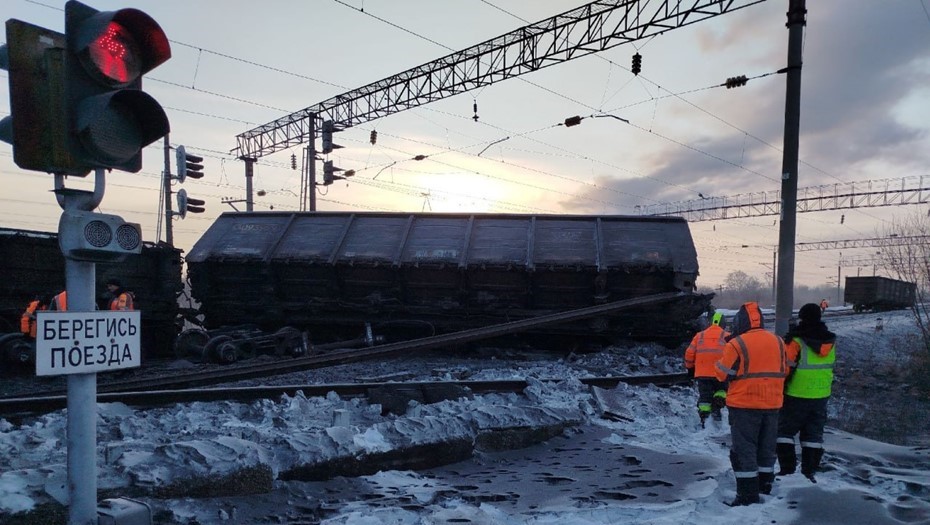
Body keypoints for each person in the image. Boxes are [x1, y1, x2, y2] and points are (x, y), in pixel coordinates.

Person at [714, 301, 788, 506]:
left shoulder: (736, 344)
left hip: (744, 405)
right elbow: (784, 370)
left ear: (740, 322)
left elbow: (722, 374)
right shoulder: (778, 341)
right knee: (767, 447)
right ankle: (765, 486)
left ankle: (747, 495)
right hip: (772, 404)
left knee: (745, 449)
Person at [776, 303, 837, 483]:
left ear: (802, 318)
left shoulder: (796, 341)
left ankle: (787, 470)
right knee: (813, 435)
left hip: (796, 393)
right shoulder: (830, 341)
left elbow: (785, 368)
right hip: (821, 395)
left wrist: (779, 387)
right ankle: (809, 472)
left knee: (784, 432)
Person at [684, 311, 730, 427]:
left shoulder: (700, 336)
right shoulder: (727, 336)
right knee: (722, 391)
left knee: (705, 398)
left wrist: (690, 369)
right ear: (723, 324)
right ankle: (718, 406)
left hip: (702, 374)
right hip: (721, 374)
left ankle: (704, 420)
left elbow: (689, 354)